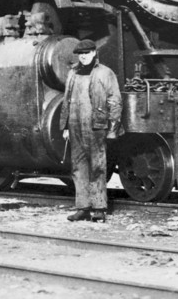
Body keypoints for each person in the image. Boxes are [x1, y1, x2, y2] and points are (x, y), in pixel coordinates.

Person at [60, 39, 122, 222]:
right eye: (80, 54)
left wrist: (113, 128)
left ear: (94, 53)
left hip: (96, 127)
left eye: (86, 53)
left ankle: (99, 208)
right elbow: (66, 100)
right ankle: (83, 207)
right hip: (75, 126)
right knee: (78, 167)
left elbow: (115, 101)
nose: (83, 57)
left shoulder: (105, 73)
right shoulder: (73, 73)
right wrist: (65, 126)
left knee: (97, 167)